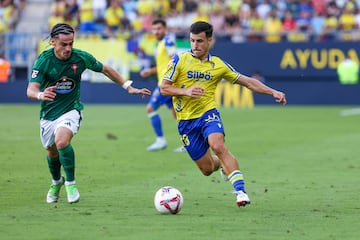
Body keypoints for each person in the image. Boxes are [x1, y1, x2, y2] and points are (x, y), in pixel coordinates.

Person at [160, 21, 287, 207]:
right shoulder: (179, 60)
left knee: (217, 144)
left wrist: (273, 92)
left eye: (200, 41)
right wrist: (185, 91)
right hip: (186, 123)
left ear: (209, 40)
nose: (195, 45)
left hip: (208, 114)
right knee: (207, 169)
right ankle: (221, 164)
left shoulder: (218, 65)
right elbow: (164, 88)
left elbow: (248, 82)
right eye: (192, 41)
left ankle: (241, 191)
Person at [26, 23, 151, 204]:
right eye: (63, 44)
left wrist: (128, 87)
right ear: (53, 42)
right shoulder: (43, 61)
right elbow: (30, 89)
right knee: (52, 152)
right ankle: (56, 181)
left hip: (71, 109)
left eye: (71, 43)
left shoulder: (80, 58)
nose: (68, 48)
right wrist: (40, 94)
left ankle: (70, 183)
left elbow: (106, 69)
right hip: (48, 114)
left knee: (62, 142)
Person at [140, 19, 185, 152]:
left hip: (165, 85)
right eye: (154, 29)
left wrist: (172, 80)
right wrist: (151, 71)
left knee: (150, 109)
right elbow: (164, 66)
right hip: (167, 83)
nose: (156, 31)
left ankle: (160, 140)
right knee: (177, 115)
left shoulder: (168, 41)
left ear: (165, 29)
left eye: (159, 28)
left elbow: (174, 60)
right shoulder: (158, 44)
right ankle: (189, 143)